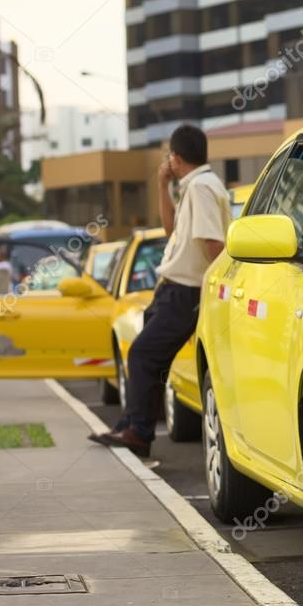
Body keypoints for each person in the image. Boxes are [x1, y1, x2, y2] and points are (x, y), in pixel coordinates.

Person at [89, 125, 230, 457]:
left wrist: (218, 290)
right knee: (149, 361)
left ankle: (138, 431)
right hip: (172, 289)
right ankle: (131, 425)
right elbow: (170, 231)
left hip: (186, 291)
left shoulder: (202, 188)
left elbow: (214, 243)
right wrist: (161, 183)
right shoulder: (195, 186)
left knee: (142, 354)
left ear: (176, 157)